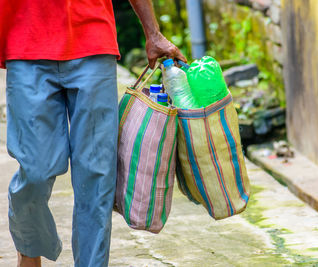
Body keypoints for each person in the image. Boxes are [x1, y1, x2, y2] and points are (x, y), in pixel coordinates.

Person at [0, 0, 186, 266]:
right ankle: (29, 252)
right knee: (35, 169)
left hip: (92, 40)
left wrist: (153, 33)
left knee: (96, 175)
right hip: (25, 40)